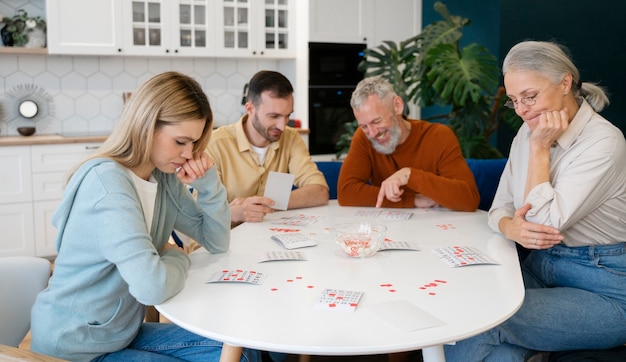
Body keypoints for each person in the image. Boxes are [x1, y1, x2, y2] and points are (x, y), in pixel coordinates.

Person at [30, 72, 260, 362]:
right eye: (180, 142)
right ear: (147, 126)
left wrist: (208, 183)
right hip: (76, 347)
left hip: (119, 332)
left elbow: (216, 241)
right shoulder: (107, 184)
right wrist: (178, 255)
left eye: (195, 143)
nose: (189, 154)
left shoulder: (161, 178)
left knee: (241, 350)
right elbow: (151, 288)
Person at [444, 41, 626, 361]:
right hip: (541, 267)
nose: (522, 110)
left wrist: (540, 149)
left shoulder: (604, 142)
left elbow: (541, 223)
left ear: (565, 82)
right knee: (474, 312)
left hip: (605, 287)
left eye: (530, 96)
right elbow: (500, 208)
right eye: (514, 100)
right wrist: (512, 229)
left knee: (482, 315)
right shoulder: (526, 133)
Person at [337, 76, 479, 211]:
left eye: (376, 121)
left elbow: (469, 199)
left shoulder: (438, 136)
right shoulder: (363, 138)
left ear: (397, 106)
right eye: (364, 126)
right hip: (389, 228)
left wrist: (410, 175)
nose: (372, 133)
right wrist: (413, 200)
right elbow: (346, 192)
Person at [208, 70, 329, 226]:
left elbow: (319, 192)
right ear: (250, 109)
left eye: (287, 116)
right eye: (274, 116)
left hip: (265, 238)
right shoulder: (215, 144)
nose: (282, 126)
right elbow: (201, 213)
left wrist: (263, 204)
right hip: (224, 242)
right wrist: (234, 213)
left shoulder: (291, 138)